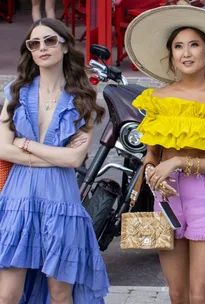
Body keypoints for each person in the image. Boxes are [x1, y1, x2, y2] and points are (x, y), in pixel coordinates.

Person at [124, 5, 205, 304]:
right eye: (178, 46)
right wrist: (153, 174)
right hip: (167, 197)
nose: (186, 53)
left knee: (199, 295)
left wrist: (179, 161)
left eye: (194, 44)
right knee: (176, 293)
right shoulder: (158, 98)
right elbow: (150, 156)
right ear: (170, 54)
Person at [0, 18, 109, 303]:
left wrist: (24, 144)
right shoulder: (14, 92)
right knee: (7, 295)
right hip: (18, 199)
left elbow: (74, 158)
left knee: (61, 294)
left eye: (49, 40)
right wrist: (54, 157)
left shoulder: (83, 97)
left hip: (62, 201)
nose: (42, 48)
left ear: (64, 46)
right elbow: (2, 148)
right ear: (29, 51)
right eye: (34, 43)